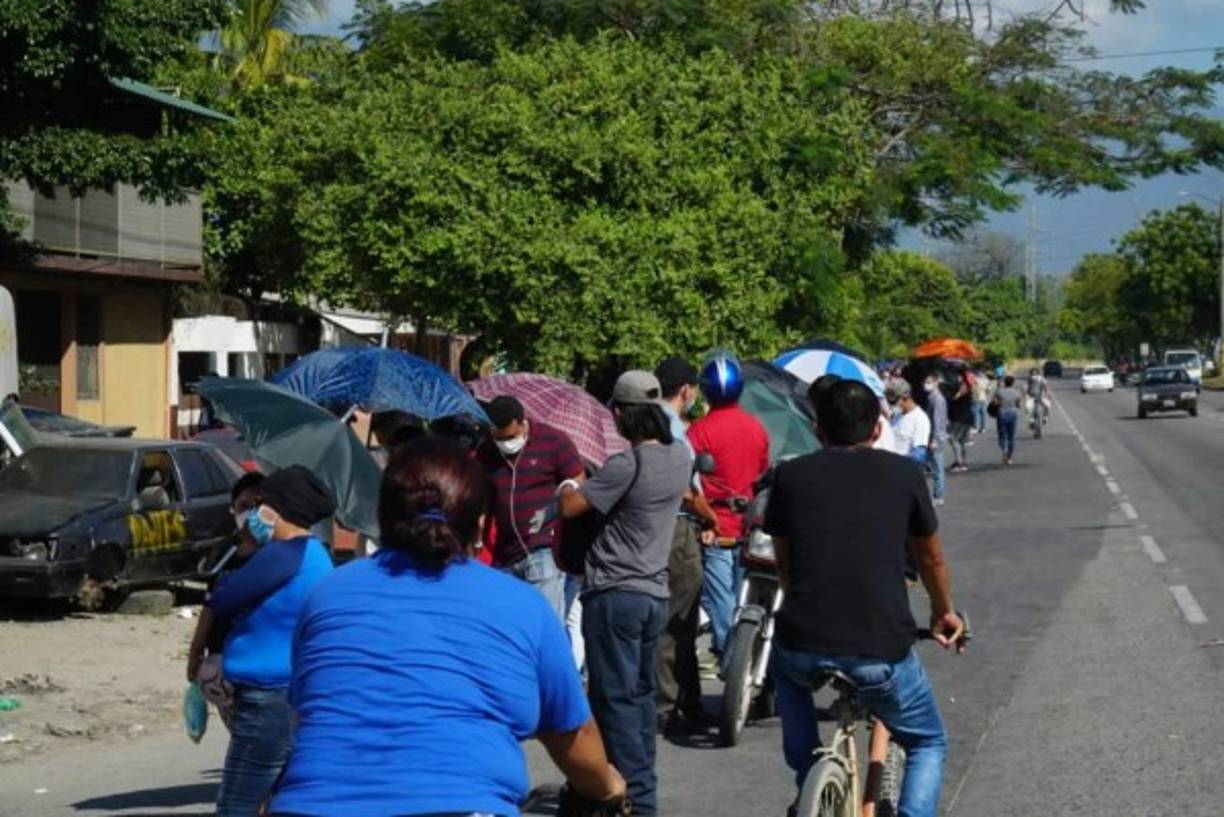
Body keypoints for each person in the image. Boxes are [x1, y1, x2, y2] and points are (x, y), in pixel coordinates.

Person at [269, 438, 626, 817]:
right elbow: (573, 735)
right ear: (481, 526)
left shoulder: (326, 595)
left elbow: (308, 708)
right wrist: (608, 786)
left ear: (383, 517)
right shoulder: (521, 605)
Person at [763, 379, 965, 817]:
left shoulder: (790, 476)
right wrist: (942, 612)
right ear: (877, 429)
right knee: (928, 741)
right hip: (879, 648)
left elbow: (785, 562)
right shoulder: (905, 474)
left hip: (802, 640)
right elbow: (930, 559)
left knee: (785, 670)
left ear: (817, 430)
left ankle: (807, 771)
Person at [558, 370, 692, 817]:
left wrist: (569, 483)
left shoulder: (626, 464)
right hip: (654, 592)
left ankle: (634, 798)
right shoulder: (680, 458)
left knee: (612, 702)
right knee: (637, 701)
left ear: (619, 412)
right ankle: (606, 791)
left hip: (615, 592)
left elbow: (572, 507)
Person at [203, 466, 335, 817]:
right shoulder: (314, 553)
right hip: (288, 692)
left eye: (260, 503)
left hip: (267, 699)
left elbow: (224, 597)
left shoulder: (283, 554)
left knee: (236, 805)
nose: (252, 512)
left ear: (276, 509)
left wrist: (244, 548)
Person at [687, 351, 771, 663]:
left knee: (720, 599)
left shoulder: (697, 432)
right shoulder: (756, 428)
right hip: (749, 526)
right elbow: (763, 471)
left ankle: (729, 655)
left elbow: (689, 482)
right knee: (745, 596)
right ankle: (747, 657)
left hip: (714, 526)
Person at [654, 356, 720, 733]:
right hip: (677, 528)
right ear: (686, 390)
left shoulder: (649, 421)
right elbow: (683, 489)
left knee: (677, 617)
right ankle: (671, 702)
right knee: (678, 617)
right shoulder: (674, 431)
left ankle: (682, 697)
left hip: (657, 527)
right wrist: (709, 516)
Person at [476, 394, 585, 620]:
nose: (506, 443)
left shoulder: (553, 441)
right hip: (505, 554)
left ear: (522, 421)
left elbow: (578, 477)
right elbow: (482, 497)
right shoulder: (486, 451)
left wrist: (564, 496)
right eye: (499, 438)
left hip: (543, 546)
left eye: (511, 436)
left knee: (543, 620)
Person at [186, 471, 265, 685]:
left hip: (256, 663)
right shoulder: (225, 552)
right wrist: (195, 654)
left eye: (257, 507)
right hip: (221, 661)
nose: (249, 514)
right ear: (233, 509)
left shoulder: (275, 557)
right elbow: (210, 606)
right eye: (243, 506)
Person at [888, 381, 931, 464]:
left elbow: (919, 455)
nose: (893, 405)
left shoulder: (919, 418)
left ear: (906, 398)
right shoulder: (896, 415)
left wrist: (897, 460)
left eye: (895, 402)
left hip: (904, 469)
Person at [923, 375, 948, 506]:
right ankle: (936, 494)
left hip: (936, 437)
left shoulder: (937, 399)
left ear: (936, 383)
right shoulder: (932, 398)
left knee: (937, 467)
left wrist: (935, 440)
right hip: (933, 436)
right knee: (932, 466)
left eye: (929, 382)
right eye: (925, 382)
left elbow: (938, 421)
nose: (926, 384)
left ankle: (938, 496)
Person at [992, 375, 1025, 465]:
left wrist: (1000, 403)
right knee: (1011, 436)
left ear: (1004, 382)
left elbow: (994, 403)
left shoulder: (999, 391)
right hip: (1013, 414)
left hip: (1002, 414)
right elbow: (1018, 405)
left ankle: (1004, 449)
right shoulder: (1016, 392)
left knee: (1002, 436)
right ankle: (1010, 457)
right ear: (1013, 383)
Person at [947, 370, 975, 473]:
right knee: (961, 441)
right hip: (966, 417)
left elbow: (955, 398)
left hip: (960, 418)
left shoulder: (963, 387)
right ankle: (961, 461)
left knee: (953, 439)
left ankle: (960, 463)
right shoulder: (966, 387)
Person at [1026, 367, 1052, 433]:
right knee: (1028, 408)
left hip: (1040, 397)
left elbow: (1046, 386)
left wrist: (1047, 393)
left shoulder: (1040, 379)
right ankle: (1031, 421)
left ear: (1037, 373)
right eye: (1032, 372)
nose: (1033, 374)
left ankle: (1045, 418)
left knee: (1047, 406)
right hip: (1032, 397)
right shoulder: (1029, 379)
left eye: (1034, 372)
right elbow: (1026, 388)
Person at [972, 368, 991, 434]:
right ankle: (983, 428)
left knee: (975, 413)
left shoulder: (975, 380)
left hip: (976, 398)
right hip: (983, 398)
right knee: (983, 414)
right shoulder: (986, 380)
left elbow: (973, 389)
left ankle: (975, 427)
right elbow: (989, 390)